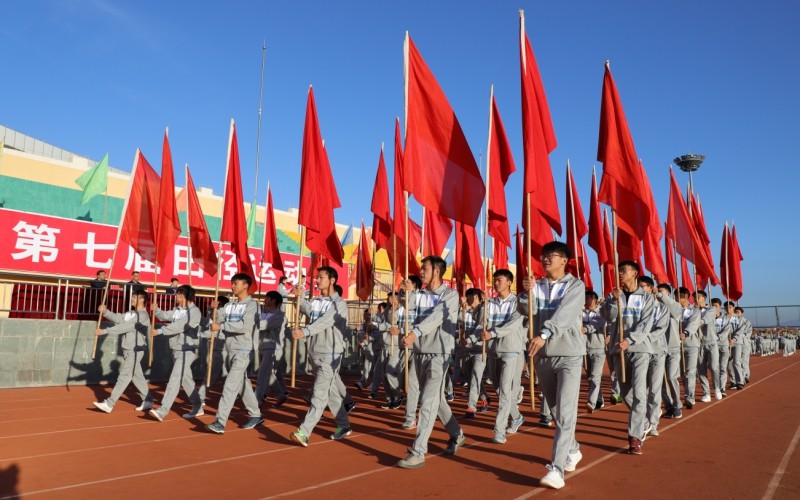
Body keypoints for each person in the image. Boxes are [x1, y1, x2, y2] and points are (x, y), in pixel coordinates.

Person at [520, 241, 585, 489]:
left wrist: (545, 334)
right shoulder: (537, 285)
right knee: (556, 411)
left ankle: (556, 470)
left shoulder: (575, 286)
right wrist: (525, 294)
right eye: (544, 255)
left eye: (552, 255)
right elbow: (526, 311)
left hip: (568, 354)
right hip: (543, 355)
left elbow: (566, 315)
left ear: (564, 260)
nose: (546, 259)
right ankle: (574, 449)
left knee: (566, 412)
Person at [396, 256, 465, 469]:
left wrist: (415, 333)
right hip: (419, 353)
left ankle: (419, 451)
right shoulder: (421, 294)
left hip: (439, 353)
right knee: (437, 400)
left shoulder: (450, 295)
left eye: (424, 268)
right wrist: (404, 292)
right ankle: (457, 433)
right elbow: (405, 303)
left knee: (427, 401)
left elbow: (436, 317)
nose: (421, 271)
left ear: (436, 271)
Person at [290, 266, 352, 446]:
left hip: (330, 355)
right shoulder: (316, 301)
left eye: (321, 277)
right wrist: (299, 297)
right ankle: (344, 424)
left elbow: (326, 321)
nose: (317, 280)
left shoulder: (339, 303)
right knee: (331, 392)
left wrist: (305, 331)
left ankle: (304, 431)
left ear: (332, 280)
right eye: (317, 277)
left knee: (318, 394)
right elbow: (306, 309)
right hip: (314, 352)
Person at [603, 260, 654, 455]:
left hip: (640, 349)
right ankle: (644, 420)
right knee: (626, 393)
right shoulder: (614, 296)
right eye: (619, 270)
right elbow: (608, 317)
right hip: (618, 350)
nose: (620, 273)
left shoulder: (647, 298)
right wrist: (612, 302)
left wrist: (630, 340)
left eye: (624, 270)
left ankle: (634, 437)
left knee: (639, 392)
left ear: (635, 273)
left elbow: (645, 325)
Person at [205, 273, 263, 434]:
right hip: (230, 350)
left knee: (230, 385)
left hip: (244, 351)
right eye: (232, 283)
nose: (232, 286)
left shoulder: (253, 305)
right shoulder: (229, 305)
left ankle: (220, 421)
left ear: (245, 286)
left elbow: (244, 325)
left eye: (235, 283)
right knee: (242, 384)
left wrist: (222, 327)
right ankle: (256, 414)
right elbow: (217, 318)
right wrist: (213, 309)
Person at [479, 269, 525, 444]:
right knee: (498, 388)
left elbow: (513, 325)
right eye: (494, 280)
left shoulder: (518, 303)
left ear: (509, 282)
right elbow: (480, 321)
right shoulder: (489, 303)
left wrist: (493, 333)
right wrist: (480, 307)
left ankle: (499, 430)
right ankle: (517, 416)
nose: (496, 283)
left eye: (499, 280)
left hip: (511, 350)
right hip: (493, 350)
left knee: (505, 390)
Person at [91, 290, 155, 413]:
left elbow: (126, 327)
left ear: (142, 300)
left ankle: (109, 404)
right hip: (128, 348)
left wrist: (105, 331)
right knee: (137, 376)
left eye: (135, 297)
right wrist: (105, 312)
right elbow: (119, 319)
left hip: (136, 349)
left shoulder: (143, 315)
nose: (132, 299)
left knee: (125, 375)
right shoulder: (131, 313)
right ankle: (148, 400)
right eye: (133, 297)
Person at [149, 285, 203, 421]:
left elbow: (180, 326)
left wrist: (160, 331)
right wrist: (157, 310)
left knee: (175, 378)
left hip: (187, 349)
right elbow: (166, 315)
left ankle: (163, 410)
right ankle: (198, 406)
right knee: (186, 380)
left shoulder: (194, 311)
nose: (176, 297)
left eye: (178, 294)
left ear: (183, 296)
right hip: (176, 348)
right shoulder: (177, 310)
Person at [638, 276, 666, 437]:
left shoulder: (661, 308)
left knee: (654, 389)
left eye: (644, 287)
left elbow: (661, 329)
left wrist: (643, 337)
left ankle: (653, 422)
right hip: (641, 352)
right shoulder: (636, 306)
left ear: (651, 288)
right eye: (639, 287)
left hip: (657, 351)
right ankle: (643, 420)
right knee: (640, 389)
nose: (641, 290)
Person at [255, 291, 288, 406]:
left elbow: (263, 325)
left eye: (267, 298)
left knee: (263, 374)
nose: (265, 300)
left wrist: (254, 322)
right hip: (261, 346)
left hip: (273, 348)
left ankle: (257, 400)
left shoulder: (280, 316)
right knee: (268, 373)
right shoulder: (263, 313)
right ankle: (280, 395)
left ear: (274, 300)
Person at [197, 296, 229, 408]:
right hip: (220, 348)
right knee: (225, 374)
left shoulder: (224, 312)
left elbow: (215, 317)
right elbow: (210, 320)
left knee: (211, 374)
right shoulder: (219, 313)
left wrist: (211, 308)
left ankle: (200, 397)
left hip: (224, 348)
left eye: (217, 303)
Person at [373, 293, 404, 410]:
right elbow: (381, 320)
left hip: (395, 345)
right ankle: (390, 399)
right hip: (384, 345)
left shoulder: (401, 310)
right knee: (383, 376)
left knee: (390, 372)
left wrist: (381, 326)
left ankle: (397, 396)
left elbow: (392, 323)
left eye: (392, 297)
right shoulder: (387, 310)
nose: (389, 299)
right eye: (388, 298)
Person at [657, 284, 684, 419]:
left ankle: (677, 405)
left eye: (661, 292)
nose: (657, 294)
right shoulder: (654, 308)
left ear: (668, 294)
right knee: (660, 380)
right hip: (658, 349)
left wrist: (661, 295)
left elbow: (675, 309)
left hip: (672, 349)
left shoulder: (675, 307)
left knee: (671, 377)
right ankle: (669, 406)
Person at [462, 288, 488, 418]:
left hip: (480, 350)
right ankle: (484, 397)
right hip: (467, 351)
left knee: (474, 377)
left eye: (469, 297)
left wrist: (470, 339)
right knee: (471, 377)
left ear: (476, 297)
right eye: (466, 297)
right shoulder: (465, 311)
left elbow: (481, 327)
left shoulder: (484, 310)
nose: (467, 300)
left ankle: (471, 407)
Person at [677, 287, 701, 409]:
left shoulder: (694, 310)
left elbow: (693, 324)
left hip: (691, 344)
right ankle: (686, 394)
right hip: (677, 345)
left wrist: (685, 333)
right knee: (682, 373)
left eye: (679, 296)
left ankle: (689, 397)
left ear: (686, 296)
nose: (676, 299)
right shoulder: (674, 309)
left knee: (690, 372)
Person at [694, 291, 720, 402]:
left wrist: (698, 321)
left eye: (698, 297)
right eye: (695, 297)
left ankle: (717, 388)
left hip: (712, 342)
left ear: (704, 298)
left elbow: (707, 318)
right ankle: (706, 393)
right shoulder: (693, 311)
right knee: (701, 370)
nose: (696, 299)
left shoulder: (711, 309)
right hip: (699, 343)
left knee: (714, 368)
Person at [582, 290, 606, 413]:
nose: (585, 301)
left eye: (587, 298)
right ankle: (599, 399)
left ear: (594, 300)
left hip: (597, 350)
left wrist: (585, 329)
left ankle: (591, 402)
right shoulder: (580, 313)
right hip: (584, 350)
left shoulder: (601, 312)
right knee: (590, 378)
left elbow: (595, 325)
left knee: (595, 377)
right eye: (584, 298)